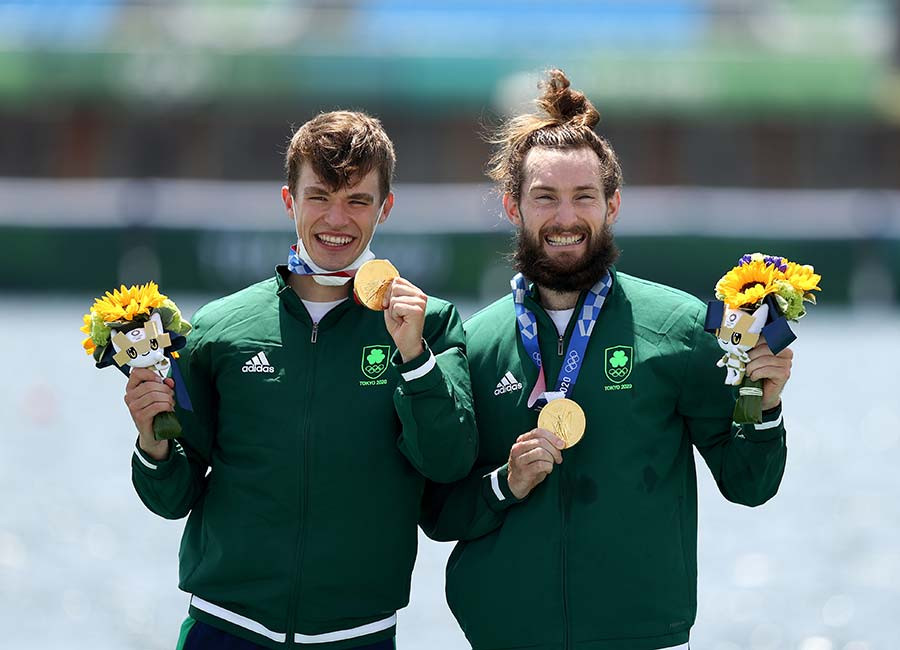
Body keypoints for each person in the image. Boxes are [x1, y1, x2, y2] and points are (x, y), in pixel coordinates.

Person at [421, 70, 793, 650]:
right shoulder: (474, 344)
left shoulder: (680, 326)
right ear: (512, 205)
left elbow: (750, 484)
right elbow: (439, 512)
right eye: (544, 197)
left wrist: (763, 408)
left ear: (613, 204)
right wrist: (506, 484)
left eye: (583, 197)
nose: (565, 218)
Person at [124, 110, 477, 649]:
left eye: (357, 200)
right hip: (224, 628)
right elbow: (175, 496)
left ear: (386, 207)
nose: (337, 219)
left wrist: (414, 357)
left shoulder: (432, 324)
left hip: (358, 633)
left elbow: (448, 461)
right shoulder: (220, 329)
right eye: (319, 197)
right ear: (289, 200)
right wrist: (152, 443)